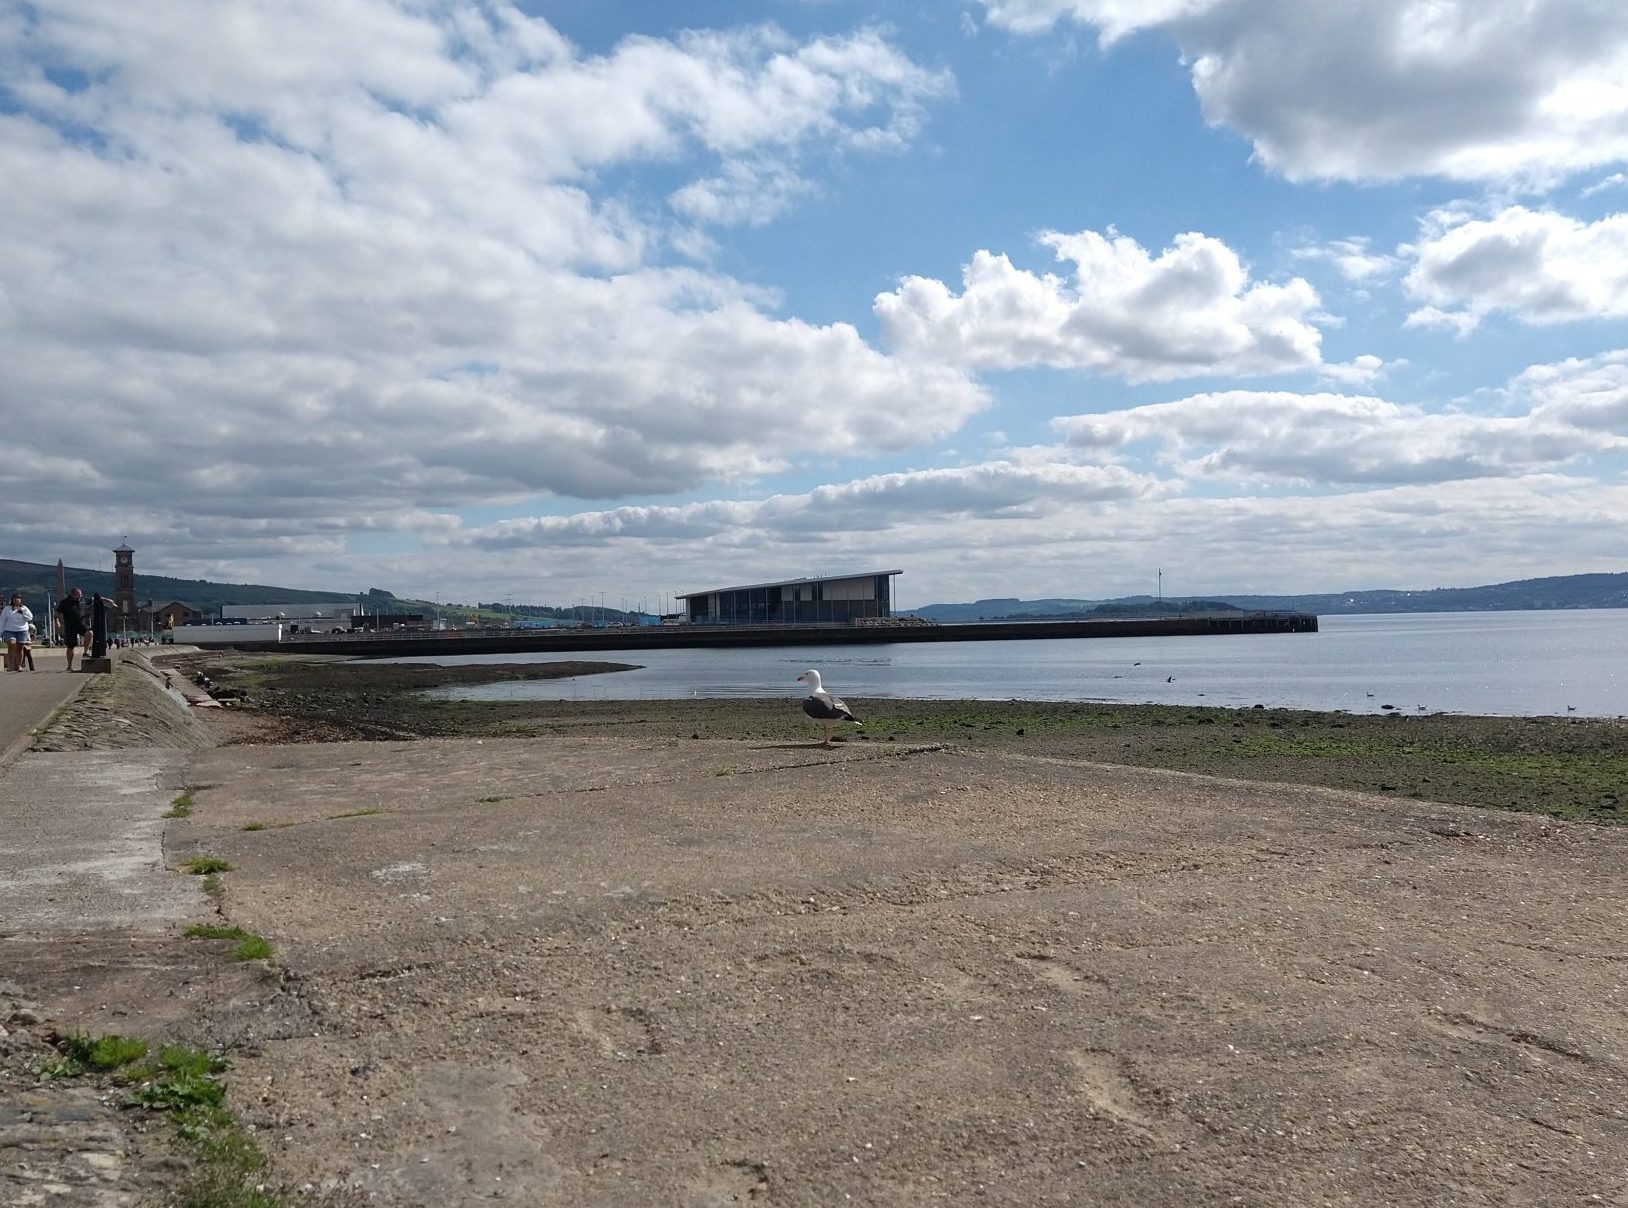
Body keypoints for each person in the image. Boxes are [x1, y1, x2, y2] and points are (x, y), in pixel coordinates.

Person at [56, 587, 89, 671]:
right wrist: (57, 622)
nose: (79, 596)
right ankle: (69, 666)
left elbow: (95, 600)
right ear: (72, 594)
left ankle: (85, 652)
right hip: (70, 626)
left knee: (89, 633)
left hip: (81, 624)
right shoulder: (64, 603)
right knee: (70, 646)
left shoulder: (82, 601)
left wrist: (107, 600)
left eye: (80, 595)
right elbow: (57, 613)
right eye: (78, 595)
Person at [1, 592, 33, 672]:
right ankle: (10, 666)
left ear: (21, 600)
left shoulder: (24, 608)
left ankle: (18, 666)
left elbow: (30, 618)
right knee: (11, 644)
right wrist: (0, 631)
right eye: (15, 598)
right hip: (9, 630)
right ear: (12, 600)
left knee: (20, 648)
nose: (16, 600)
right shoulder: (7, 609)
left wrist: (22, 611)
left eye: (18, 598)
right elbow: (2, 620)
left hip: (22, 630)